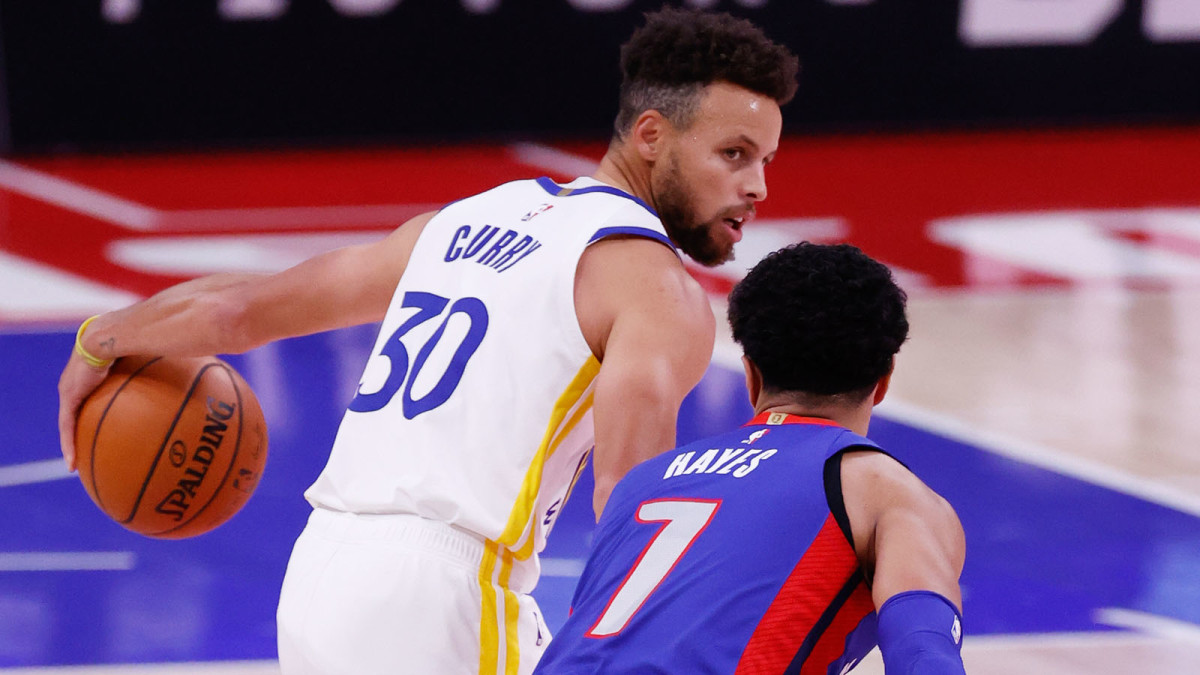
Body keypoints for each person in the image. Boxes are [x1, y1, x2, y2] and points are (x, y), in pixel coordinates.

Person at [56, 8, 800, 675]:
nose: (759, 184)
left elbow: (239, 311)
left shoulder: (464, 218)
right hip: (443, 590)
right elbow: (632, 506)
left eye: (766, 158)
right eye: (734, 153)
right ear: (649, 136)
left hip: (320, 572)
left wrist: (101, 340)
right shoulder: (658, 291)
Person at [533, 242, 967, 674]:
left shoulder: (643, 482)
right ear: (884, 379)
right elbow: (925, 656)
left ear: (751, 375)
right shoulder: (888, 494)